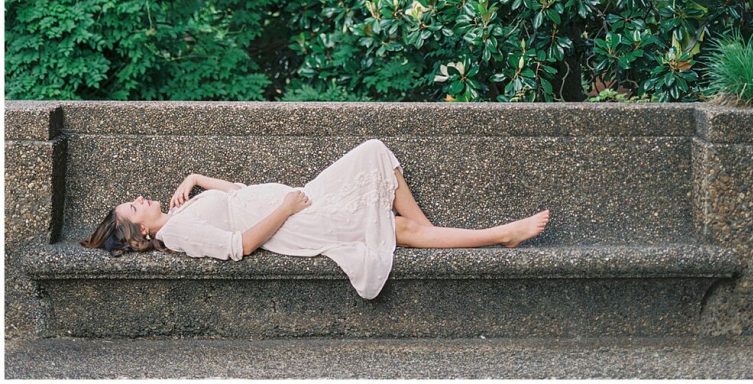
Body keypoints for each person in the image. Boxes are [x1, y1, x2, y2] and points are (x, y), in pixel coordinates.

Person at [81, 138, 550, 300]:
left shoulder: (181, 214)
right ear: (140, 231)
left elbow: (240, 194)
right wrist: (284, 209)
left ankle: (432, 233)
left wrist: (197, 176)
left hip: (297, 200)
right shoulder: (179, 233)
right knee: (397, 229)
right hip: (293, 222)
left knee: (373, 154)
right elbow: (238, 247)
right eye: (135, 206)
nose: (141, 198)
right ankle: (502, 235)